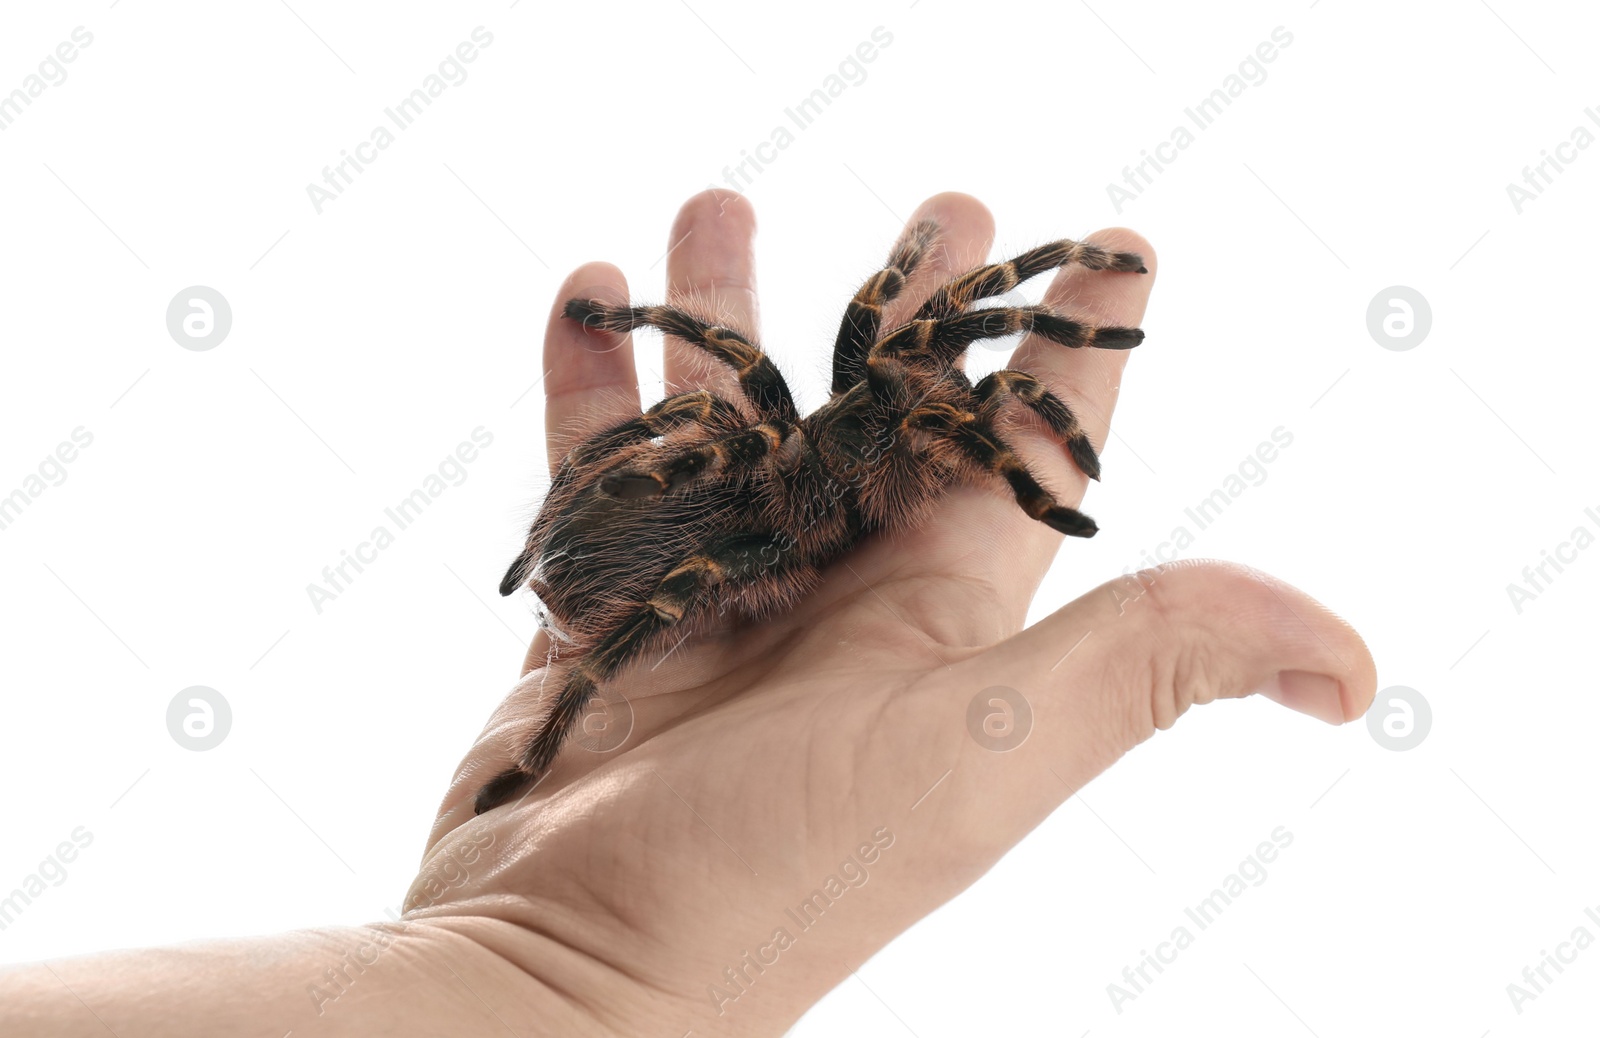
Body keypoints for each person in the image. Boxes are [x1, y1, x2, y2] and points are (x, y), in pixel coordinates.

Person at [0, 190, 1375, 1036]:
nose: (940, 407)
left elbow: (907, 349)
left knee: (842, 365)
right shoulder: (778, 510)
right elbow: (742, 379)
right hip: (741, 531)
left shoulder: (867, 408)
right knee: (690, 554)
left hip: (746, 507)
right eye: (936, 408)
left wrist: (541, 977)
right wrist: (548, 972)